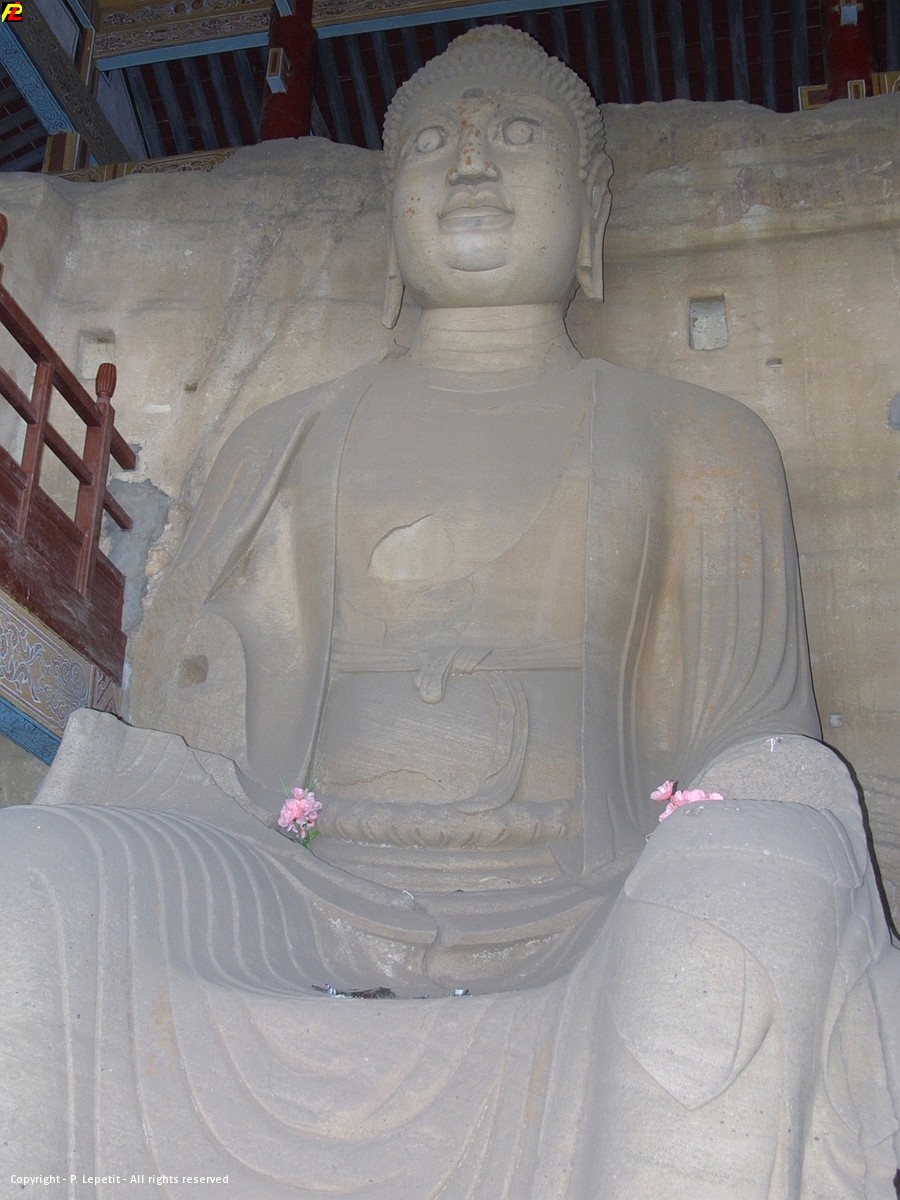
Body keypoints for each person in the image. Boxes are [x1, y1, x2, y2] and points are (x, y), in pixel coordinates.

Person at [1, 27, 897, 1198]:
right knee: (34, 878)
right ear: (391, 214)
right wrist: (271, 809)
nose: (470, 165)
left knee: (756, 886)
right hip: (299, 875)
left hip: (602, 896)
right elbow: (205, 732)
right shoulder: (285, 439)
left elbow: (753, 745)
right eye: (432, 145)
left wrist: (700, 836)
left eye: (516, 137)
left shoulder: (704, 441)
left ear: (592, 206)